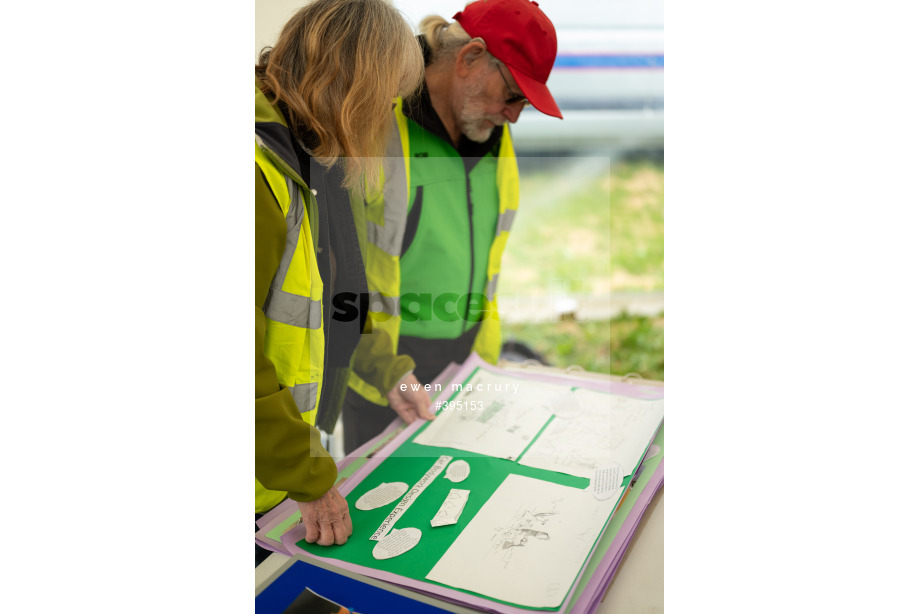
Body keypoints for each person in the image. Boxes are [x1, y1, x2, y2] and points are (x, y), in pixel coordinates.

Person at [343, 0, 563, 454]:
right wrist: (384, 369)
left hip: (468, 368)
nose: (515, 115)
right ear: (470, 59)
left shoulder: (487, 128)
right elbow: (336, 272)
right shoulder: (375, 122)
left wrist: (484, 359)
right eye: (514, 95)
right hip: (383, 376)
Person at [255, 0, 431, 559]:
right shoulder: (256, 168)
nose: (386, 122)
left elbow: (337, 292)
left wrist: (386, 369)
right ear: (350, 88)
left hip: (271, 469)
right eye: (386, 102)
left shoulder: (309, 154)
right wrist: (307, 475)